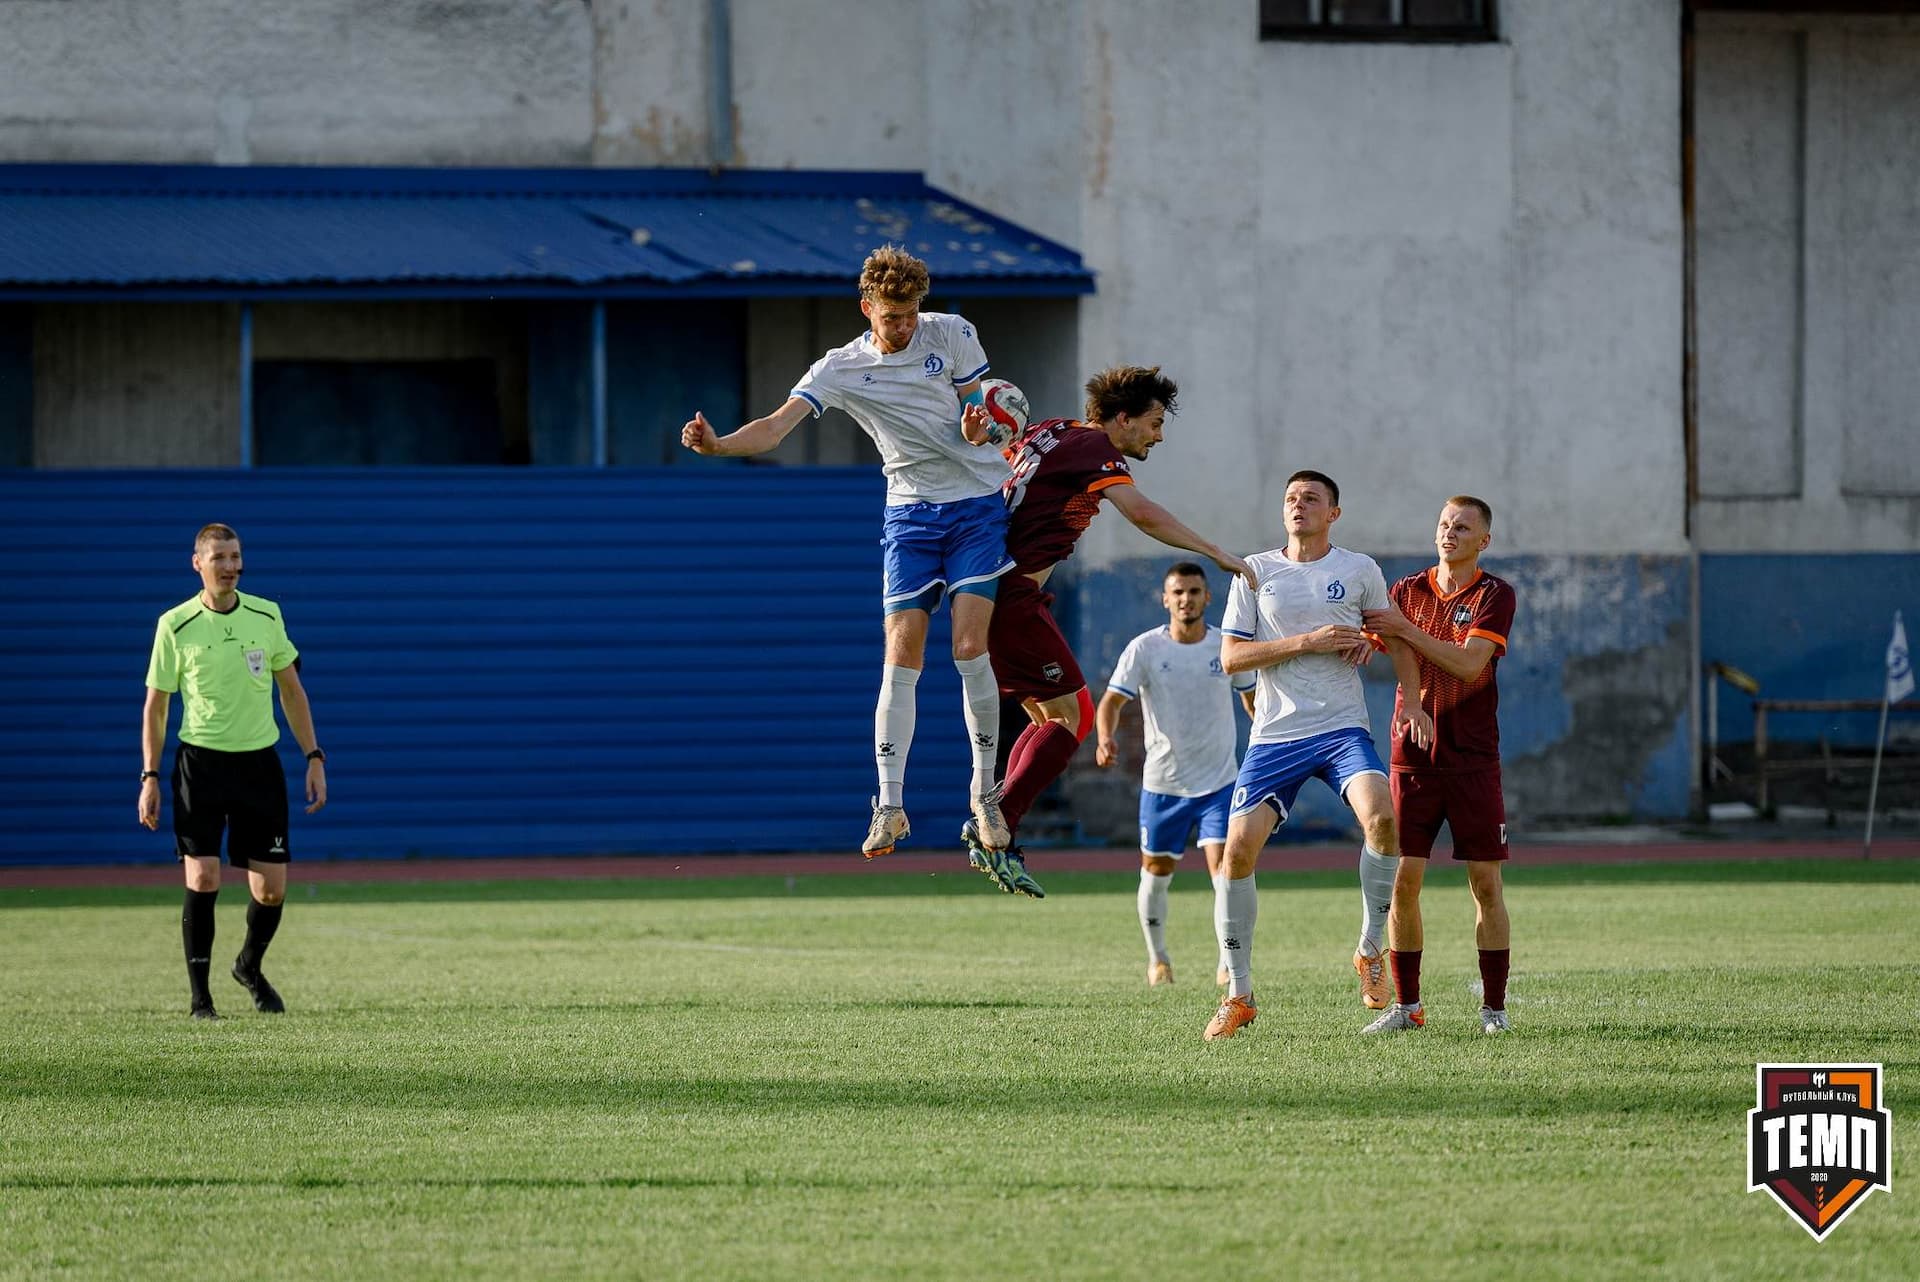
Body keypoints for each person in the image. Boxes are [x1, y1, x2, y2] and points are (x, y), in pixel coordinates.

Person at [681, 245, 1014, 859]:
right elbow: (778, 425)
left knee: (969, 646)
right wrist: (721, 445)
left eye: (911, 313)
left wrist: (981, 426)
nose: (905, 325)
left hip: (975, 504)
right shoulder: (839, 368)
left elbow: (983, 410)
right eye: (892, 316)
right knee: (900, 654)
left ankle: (986, 794)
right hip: (910, 514)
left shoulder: (954, 333)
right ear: (867, 309)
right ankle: (890, 806)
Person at [959, 365, 1253, 898]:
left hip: (1000, 592)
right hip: (1013, 597)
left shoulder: (1053, 431)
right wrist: (1215, 552)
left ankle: (995, 818)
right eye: (1155, 422)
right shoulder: (1095, 448)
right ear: (1123, 418)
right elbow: (1141, 513)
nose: (1159, 435)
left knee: (1049, 716)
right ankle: (996, 823)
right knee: (1077, 716)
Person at [1201, 471, 1433, 1041]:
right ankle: (1240, 994)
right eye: (1290, 499)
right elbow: (1231, 658)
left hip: (1340, 728)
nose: (1298, 505)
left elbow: (1394, 638)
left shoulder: (1358, 569)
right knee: (1237, 851)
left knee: (1382, 818)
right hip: (1275, 736)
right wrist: (1307, 642)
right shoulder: (1256, 571)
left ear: (1334, 512)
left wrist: (1411, 697)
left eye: (1310, 498)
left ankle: (1369, 948)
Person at [139, 523, 327, 1019]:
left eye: (235, 555)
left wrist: (313, 756)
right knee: (202, 878)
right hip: (198, 766)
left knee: (271, 889)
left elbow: (292, 691)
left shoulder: (267, 615)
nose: (229, 566)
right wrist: (150, 776)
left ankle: (248, 964)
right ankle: (201, 1000)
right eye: (218, 557)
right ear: (197, 563)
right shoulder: (174, 625)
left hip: (258, 766)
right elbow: (156, 707)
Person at [1358, 496, 1517, 1035]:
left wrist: (1409, 632)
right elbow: (1398, 649)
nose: (1450, 532)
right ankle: (1408, 1008)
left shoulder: (1495, 594)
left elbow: (1471, 664)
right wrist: (1415, 697)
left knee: (1485, 884)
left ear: (1483, 541)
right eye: (1445, 524)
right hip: (1413, 759)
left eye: (1463, 526)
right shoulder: (1405, 590)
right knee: (1403, 881)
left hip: (1474, 758)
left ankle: (1493, 1009)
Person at [1095, 562, 1255, 986]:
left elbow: (1252, 700)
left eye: (1194, 591)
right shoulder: (1145, 649)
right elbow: (1110, 702)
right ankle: (1158, 959)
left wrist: (1266, 740)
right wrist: (1104, 738)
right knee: (1156, 872)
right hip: (1164, 784)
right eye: (1178, 592)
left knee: (1225, 870)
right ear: (1165, 599)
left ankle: (1227, 963)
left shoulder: (1226, 648)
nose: (1186, 599)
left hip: (1220, 782)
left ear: (1208, 597)